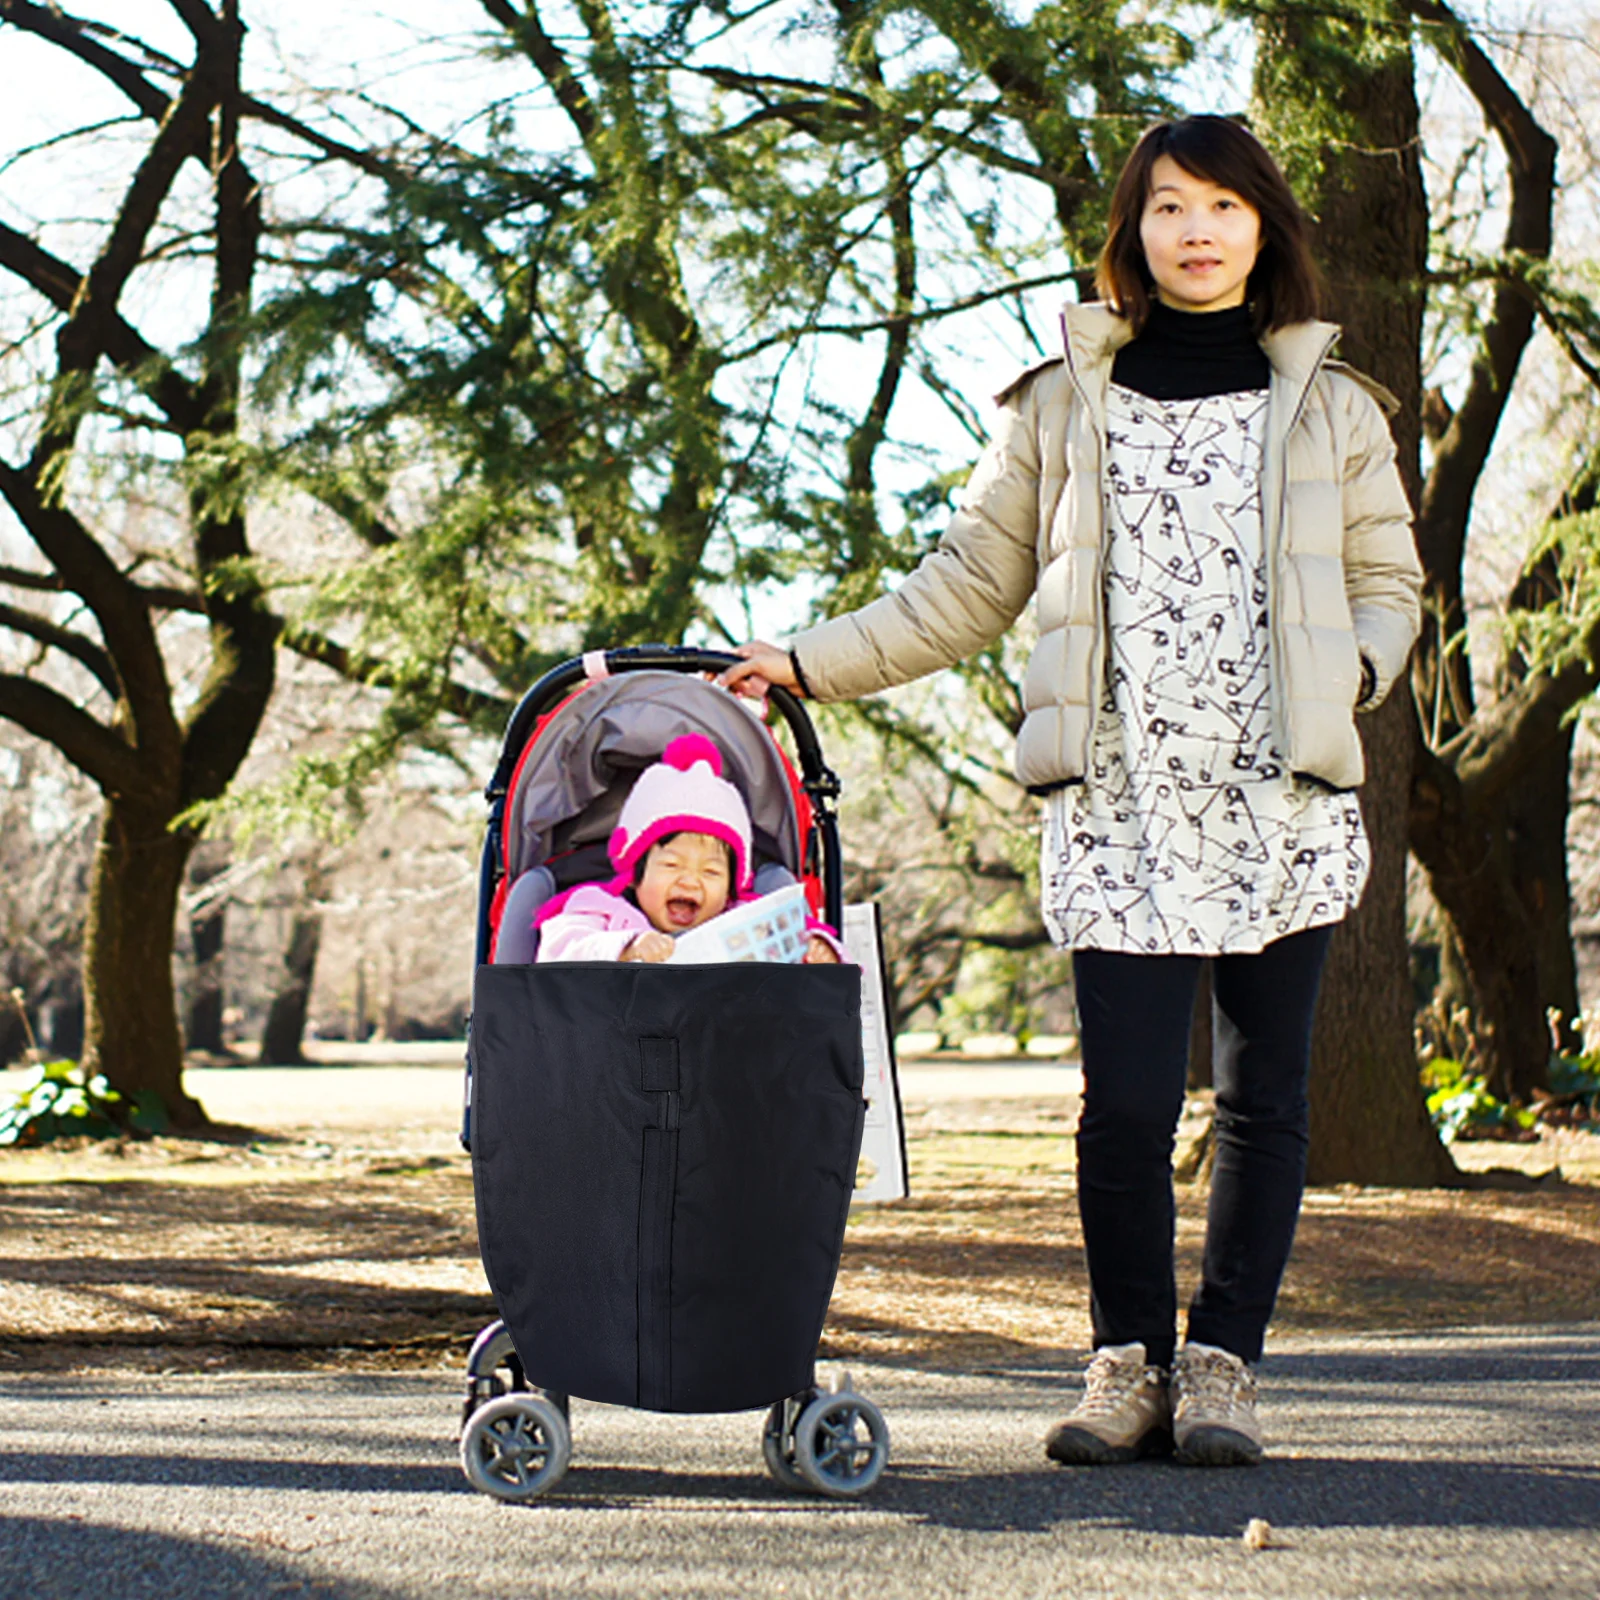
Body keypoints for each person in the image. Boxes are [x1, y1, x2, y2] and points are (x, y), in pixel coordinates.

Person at [721, 114, 1422, 1468]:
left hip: (1281, 800)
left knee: (1265, 1097)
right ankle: (1125, 1367)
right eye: (1170, 207)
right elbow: (968, 585)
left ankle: (1222, 1368)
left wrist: (1360, 675)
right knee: (1128, 1104)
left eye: (1225, 206)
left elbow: (1389, 583)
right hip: (1119, 802)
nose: (1198, 231)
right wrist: (808, 662)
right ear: (1133, 230)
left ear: (1264, 228)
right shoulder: (1060, 401)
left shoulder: (1333, 407)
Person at [534, 733, 842, 965]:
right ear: (636, 875)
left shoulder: (747, 922)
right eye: (671, 866)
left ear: (732, 886)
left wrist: (819, 949)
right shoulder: (600, 910)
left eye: (711, 871)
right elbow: (559, 951)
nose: (690, 881)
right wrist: (626, 948)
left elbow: (792, 940)